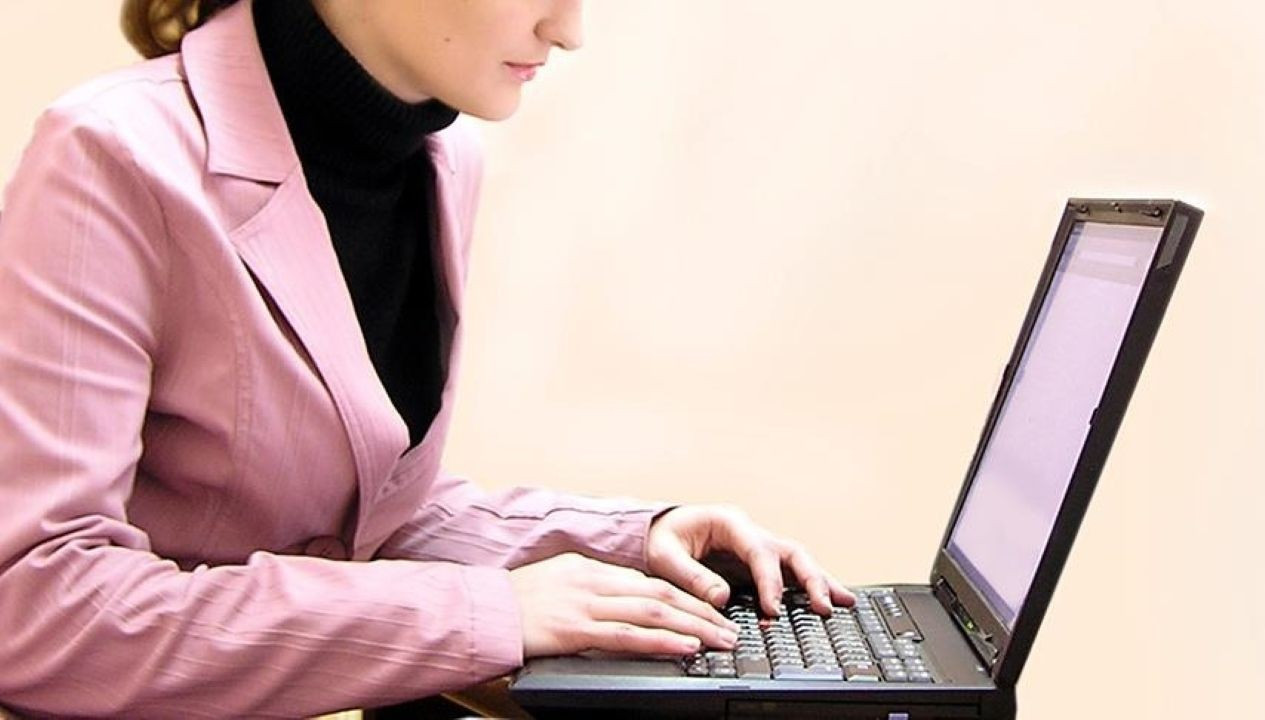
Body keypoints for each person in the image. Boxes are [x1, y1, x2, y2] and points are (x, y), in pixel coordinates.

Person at [0, 1, 855, 717]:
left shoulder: (443, 159)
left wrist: (631, 539)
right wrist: (482, 612)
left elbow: (357, 523)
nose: (568, 30)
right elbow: (35, 607)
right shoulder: (111, 154)